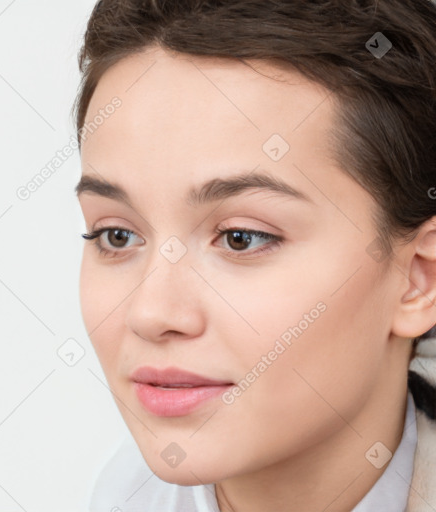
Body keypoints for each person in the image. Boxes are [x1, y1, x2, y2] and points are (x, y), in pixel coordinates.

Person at [72, 1, 436, 510]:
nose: (150, 314)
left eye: (241, 237)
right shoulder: (118, 493)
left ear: (420, 277)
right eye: (116, 236)